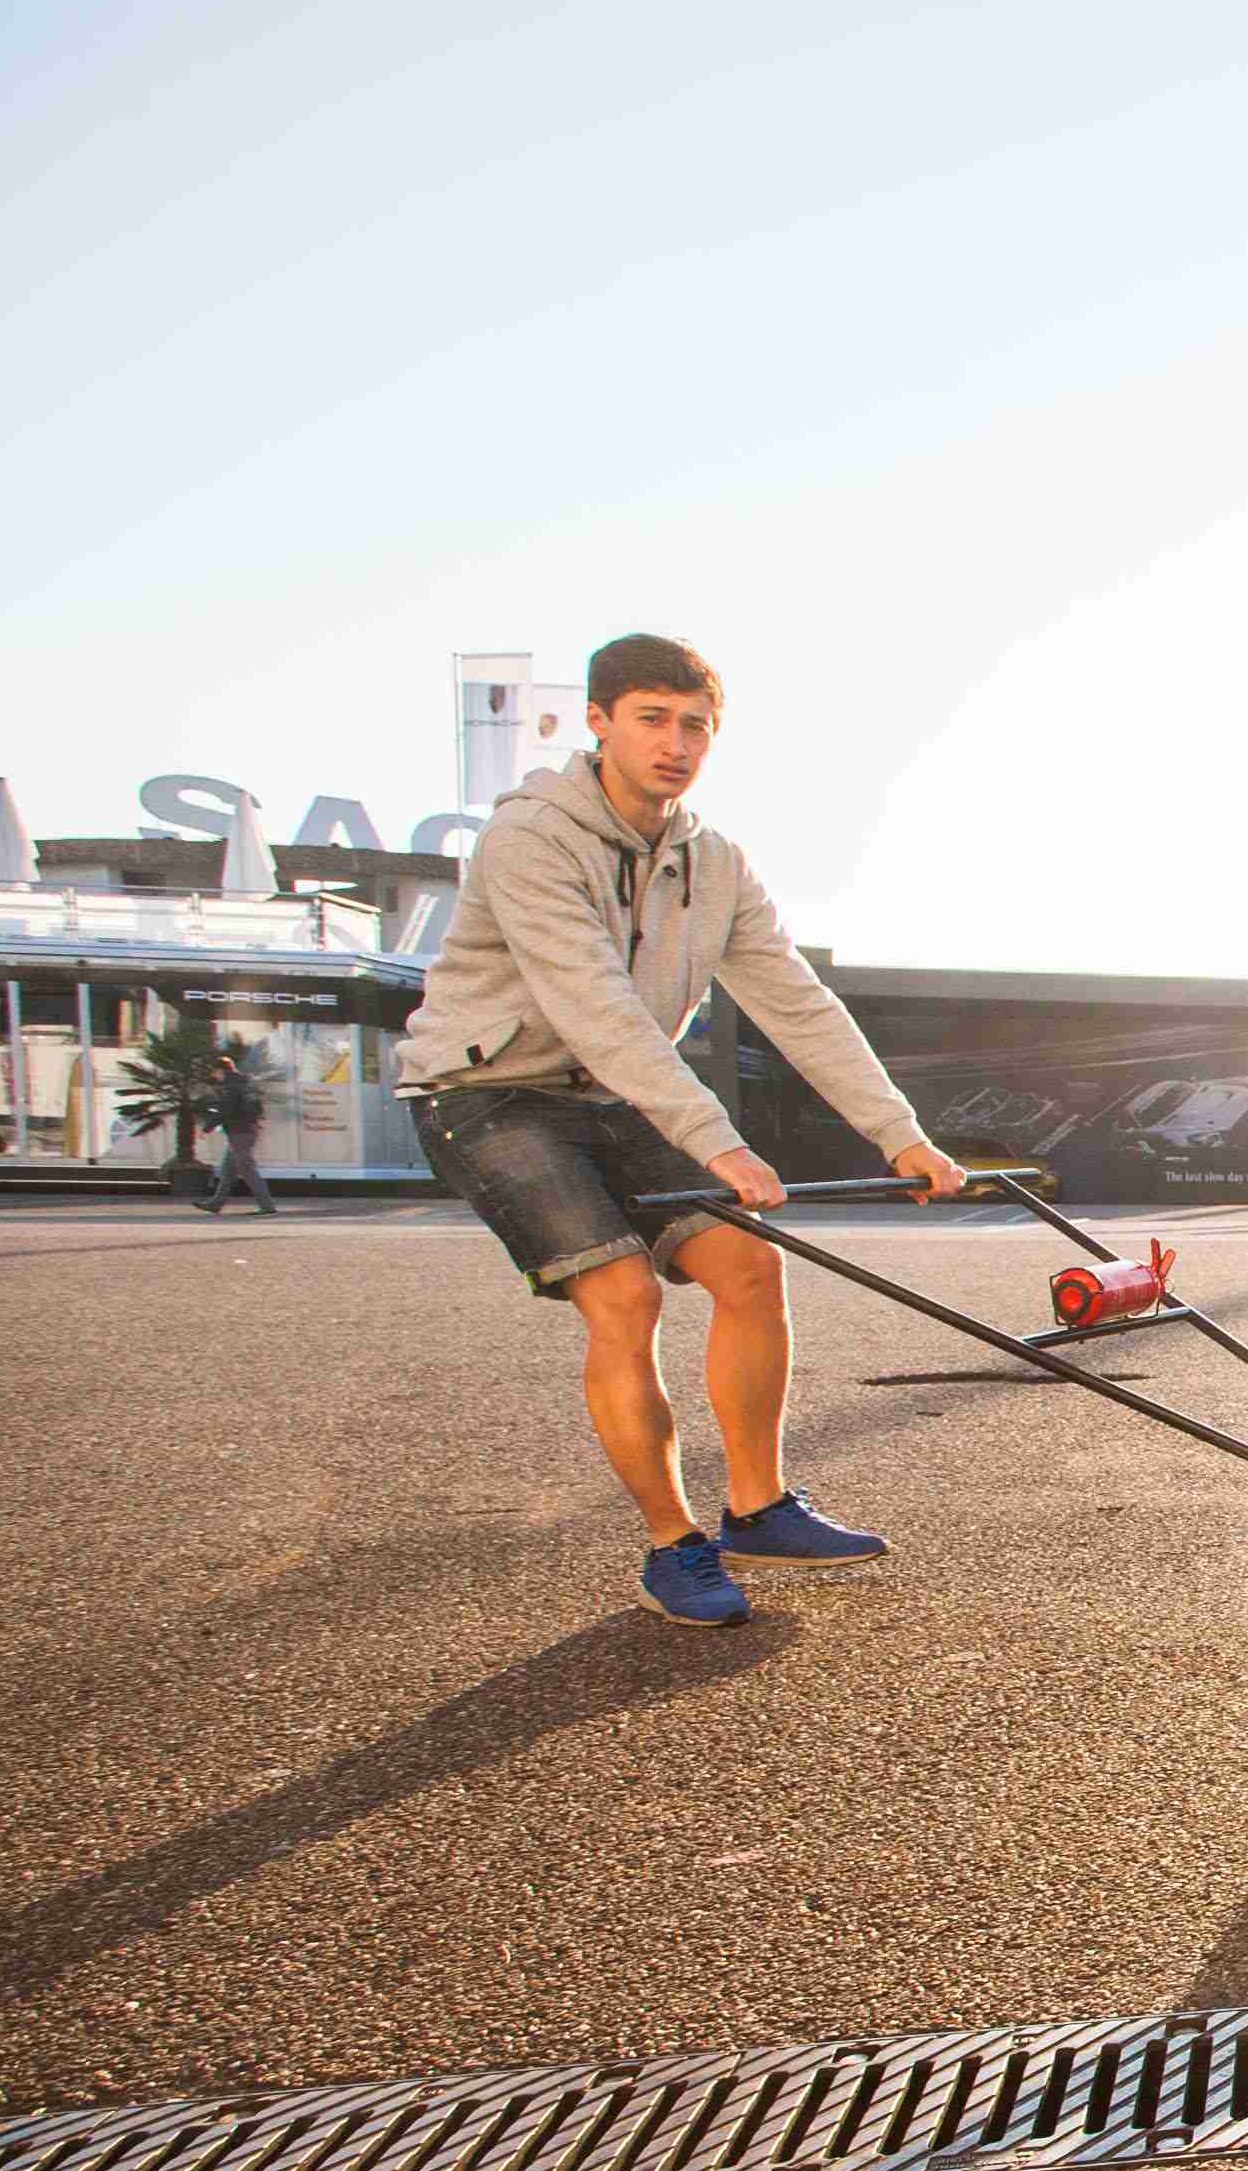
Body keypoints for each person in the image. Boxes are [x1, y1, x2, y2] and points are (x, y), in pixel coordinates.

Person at [393, 633, 962, 1629]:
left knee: (749, 1265)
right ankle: (674, 1544)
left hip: (613, 1093)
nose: (675, 743)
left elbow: (798, 1003)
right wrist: (716, 1141)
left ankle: (759, 1509)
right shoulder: (530, 837)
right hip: (487, 1091)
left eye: (695, 725)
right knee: (623, 1294)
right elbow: (595, 1004)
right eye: (652, 719)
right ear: (598, 722)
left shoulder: (716, 863)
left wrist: (899, 1133)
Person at [195, 1048, 278, 1216]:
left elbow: (225, 1111)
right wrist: (257, 1119)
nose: (214, 1076)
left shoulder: (230, 1087)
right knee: (228, 1170)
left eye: (214, 1072)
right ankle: (215, 1204)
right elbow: (257, 1104)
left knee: (247, 1170)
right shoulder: (246, 1083)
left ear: (221, 1070)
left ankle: (267, 1206)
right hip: (245, 1131)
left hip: (239, 1133)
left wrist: (206, 1128)